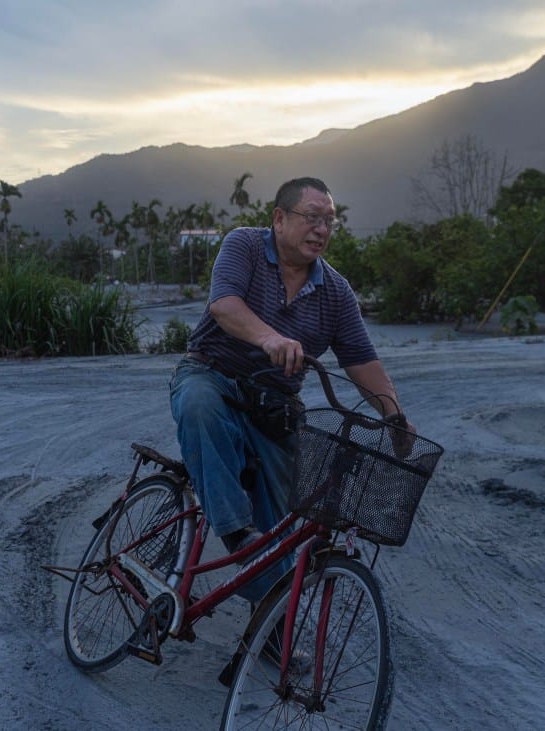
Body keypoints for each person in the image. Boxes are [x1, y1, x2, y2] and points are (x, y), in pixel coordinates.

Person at [169, 177, 414, 602]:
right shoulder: (244, 245)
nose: (321, 229)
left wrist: (393, 414)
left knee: (280, 524)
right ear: (279, 219)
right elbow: (224, 305)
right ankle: (235, 532)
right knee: (199, 407)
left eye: (329, 221)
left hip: (276, 404)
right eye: (312, 217)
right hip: (212, 374)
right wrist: (270, 338)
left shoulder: (336, 292)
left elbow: (362, 361)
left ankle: (269, 620)